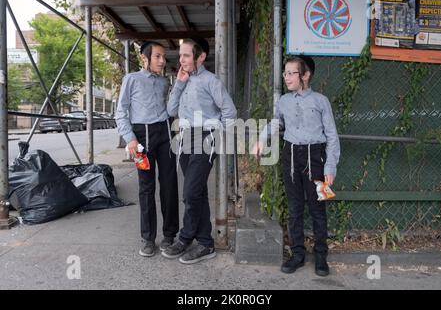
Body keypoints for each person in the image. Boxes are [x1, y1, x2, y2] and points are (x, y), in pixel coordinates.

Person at [253, 56, 340, 276]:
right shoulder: (283, 101)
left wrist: (330, 168)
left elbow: (331, 136)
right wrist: (262, 139)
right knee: (294, 208)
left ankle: (321, 256)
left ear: (305, 75)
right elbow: (276, 122)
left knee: (318, 208)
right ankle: (297, 254)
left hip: (315, 159)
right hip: (291, 156)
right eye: (285, 73)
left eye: (291, 73)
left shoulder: (321, 101)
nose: (286, 77)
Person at [162, 38, 237, 264]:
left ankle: (186, 238)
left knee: (190, 193)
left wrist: (215, 134)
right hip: (185, 137)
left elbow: (230, 111)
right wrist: (179, 84)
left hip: (205, 137)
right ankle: (205, 243)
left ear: (200, 56)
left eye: (186, 55)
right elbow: (170, 110)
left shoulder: (210, 81)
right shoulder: (182, 80)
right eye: (180, 55)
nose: (181, 60)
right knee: (198, 193)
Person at [115, 41, 179, 257]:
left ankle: (170, 234)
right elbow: (121, 111)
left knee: (169, 184)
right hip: (141, 138)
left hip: (164, 134)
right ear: (145, 58)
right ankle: (148, 238)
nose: (162, 61)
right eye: (158, 56)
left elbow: (170, 109)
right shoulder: (131, 79)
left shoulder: (164, 83)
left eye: (163, 57)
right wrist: (130, 139)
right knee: (146, 187)